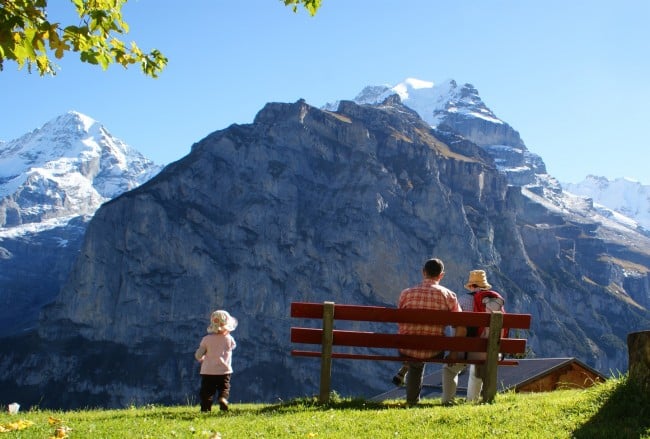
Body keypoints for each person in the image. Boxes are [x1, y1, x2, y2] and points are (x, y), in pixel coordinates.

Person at [397, 258, 466, 406]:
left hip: (406, 347)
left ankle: (411, 400)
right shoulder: (449, 295)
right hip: (434, 348)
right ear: (441, 275)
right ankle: (415, 398)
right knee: (422, 351)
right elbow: (461, 326)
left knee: (415, 359)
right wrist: (454, 352)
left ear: (424, 273)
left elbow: (400, 321)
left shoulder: (406, 293)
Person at [461, 270, 506, 402]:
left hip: (470, 351)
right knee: (478, 365)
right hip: (493, 351)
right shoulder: (496, 302)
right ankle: (474, 400)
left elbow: (458, 327)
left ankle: (451, 399)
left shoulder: (463, 300)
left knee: (450, 368)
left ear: (470, 286)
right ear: (485, 287)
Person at [194, 309, 238, 412]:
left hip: (208, 371)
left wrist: (201, 358)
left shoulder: (206, 339)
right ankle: (223, 398)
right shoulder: (229, 339)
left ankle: (205, 408)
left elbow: (198, 355)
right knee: (224, 388)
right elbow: (232, 347)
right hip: (224, 371)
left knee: (207, 391)